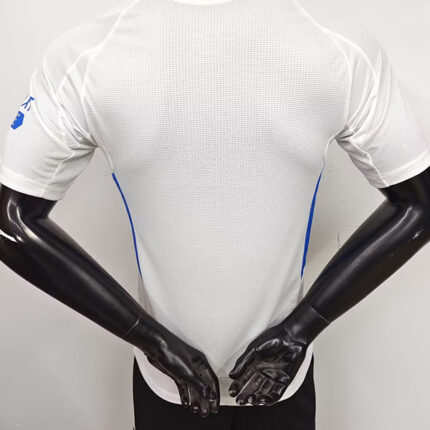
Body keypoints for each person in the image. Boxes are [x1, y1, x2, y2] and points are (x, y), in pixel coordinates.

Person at [1, 0, 430, 428]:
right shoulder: (337, 46)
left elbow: (11, 220)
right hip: (217, 372)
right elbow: (418, 204)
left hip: (213, 373)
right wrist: (298, 329)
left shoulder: (89, 54)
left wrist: (152, 339)